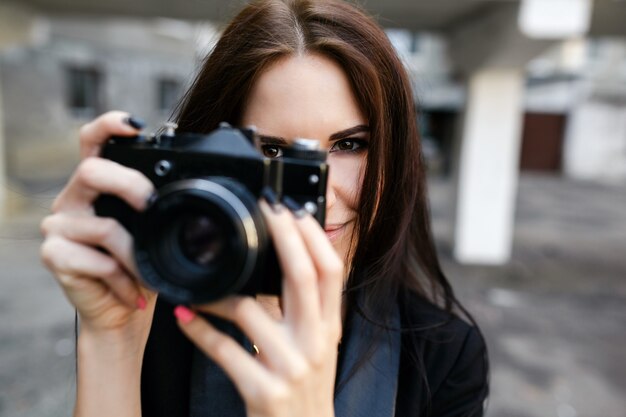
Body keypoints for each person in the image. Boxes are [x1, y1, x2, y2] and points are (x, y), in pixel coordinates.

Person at [40, 0, 489, 416]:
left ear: (395, 154)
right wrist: (112, 340)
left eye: (351, 145)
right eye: (272, 152)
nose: (321, 195)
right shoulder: (153, 313)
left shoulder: (444, 356)